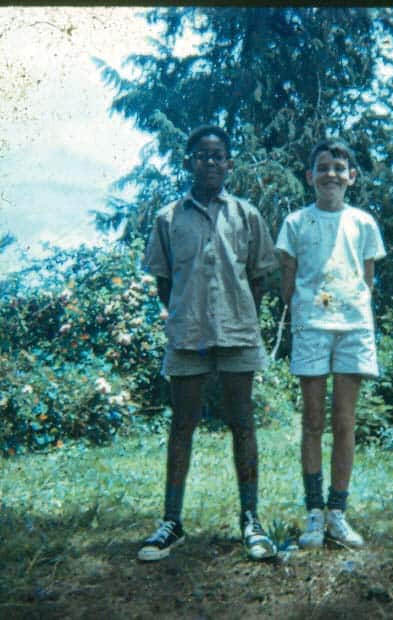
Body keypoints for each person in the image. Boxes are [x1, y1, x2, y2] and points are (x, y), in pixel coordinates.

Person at [139, 125, 278, 562]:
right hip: (188, 335)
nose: (210, 163)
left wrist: (237, 314)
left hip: (237, 332)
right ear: (188, 162)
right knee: (183, 425)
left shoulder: (246, 215)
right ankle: (171, 521)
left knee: (242, 421)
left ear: (229, 164)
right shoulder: (168, 218)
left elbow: (257, 278)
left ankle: (251, 518)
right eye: (202, 156)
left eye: (218, 156)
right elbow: (165, 283)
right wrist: (190, 312)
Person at [276, 139, 386, 549]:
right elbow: (288, 280)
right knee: (313, 422)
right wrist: (306, 313)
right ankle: (313, 513)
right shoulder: (295, 223)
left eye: (339, 168)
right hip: (311, 326)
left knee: (344, 422)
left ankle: (338, 513)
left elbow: (367, 278)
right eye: (323, 167)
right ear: (310, 176)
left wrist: (349, 311)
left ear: (351, 177)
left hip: (354, 327)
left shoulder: (364, 223)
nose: (331, 175)